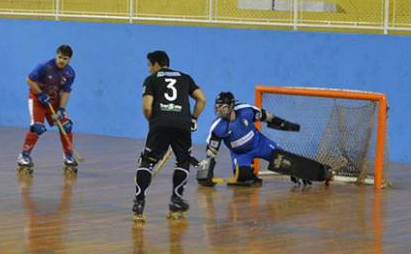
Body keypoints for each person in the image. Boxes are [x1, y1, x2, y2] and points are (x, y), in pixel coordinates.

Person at [197, 91, 333, 188]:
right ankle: (249, 174)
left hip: (260, 144)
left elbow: (267, 117)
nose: (220, 110)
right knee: (243, 179)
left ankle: (323, 172)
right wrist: (207, 171)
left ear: (231, 106)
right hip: (240, 154)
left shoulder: (246, 111)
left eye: (223, 107)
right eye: (218, 107)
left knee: (286, 161)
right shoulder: (217, 128)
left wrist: (286, 125)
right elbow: (211, 151)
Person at [132, 50, 206, 222]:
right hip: (182, 124)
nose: (149, 70)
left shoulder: (151, 79)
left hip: (159, 123)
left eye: (149, 66)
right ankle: (176, 200)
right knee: (183, 161)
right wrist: (193, 119)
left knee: (147, 161)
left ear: (156, 64)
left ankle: (139, 201)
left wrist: (155, 122)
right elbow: (202, 99)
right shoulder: (185, 77)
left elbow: (147, 107)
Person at [17, 44, 77, 174]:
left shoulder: (70, 73)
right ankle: (24, 156)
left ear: (69, 60)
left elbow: (66, 92)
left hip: (54, 101)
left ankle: (68, 156)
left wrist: (61, 108)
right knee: (37, 128)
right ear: (56, 55)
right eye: (60, 57)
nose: (61, 60)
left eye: (65, 58)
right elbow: (29, 80)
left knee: (66, 126)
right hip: (37, 99)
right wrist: (39, 94)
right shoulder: (44, 66)